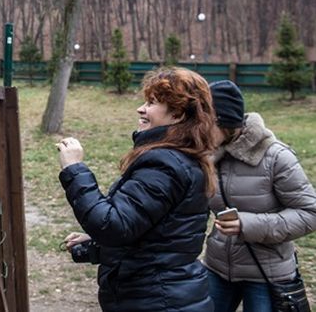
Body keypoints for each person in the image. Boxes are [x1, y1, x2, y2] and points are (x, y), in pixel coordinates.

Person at [56, 67, 217, 312]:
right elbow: (159, 235)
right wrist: (96, 242)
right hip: (166, 295)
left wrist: (74, 169)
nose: (140, 109)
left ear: (177, 114)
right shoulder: (182, 159)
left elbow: (114, 226)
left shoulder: (164, 164)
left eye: (152, 103)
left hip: (157, 301)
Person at [204, 80, 316, 312]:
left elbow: (310, 213)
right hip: (217, 268)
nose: (200, 131)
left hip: (266, 274)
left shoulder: (276, 157)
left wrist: (248, 224)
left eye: (206, 124)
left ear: (225, 122)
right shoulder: (208, 156)